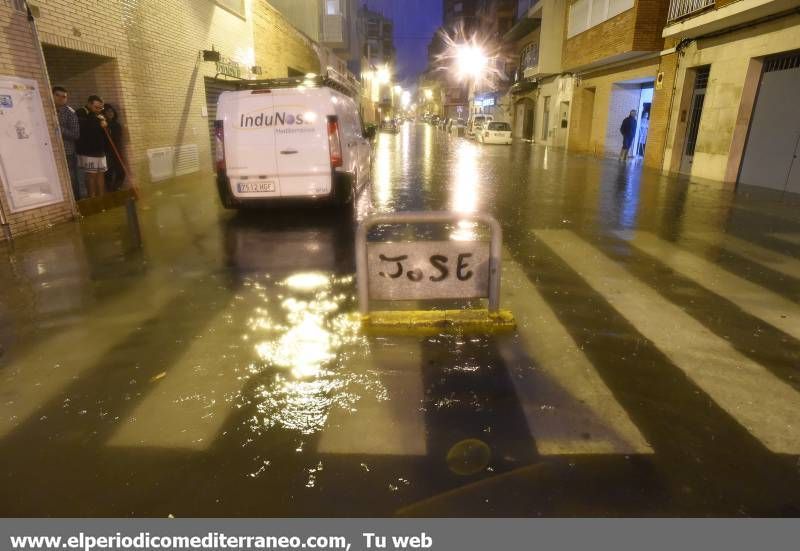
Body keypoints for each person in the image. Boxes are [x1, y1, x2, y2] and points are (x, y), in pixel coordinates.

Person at [52, 86, 82, 199]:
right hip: (51, 152)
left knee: (71, 178)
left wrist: (58, 127)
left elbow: (76, 134)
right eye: (57, 95)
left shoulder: (70, 112)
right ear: (52, 95)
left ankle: (76, 202)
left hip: (67, 152)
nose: (60, 98)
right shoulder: (45, 109)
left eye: (63, 97)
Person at [76, 95, 108, 198]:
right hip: (88, 151)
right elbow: (85, 129)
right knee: (91, 176)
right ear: (89, 104)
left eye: (101, 108)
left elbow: (102, 132)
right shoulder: (81, 112)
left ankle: (102, 197)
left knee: (101, 174)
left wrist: (104, 124)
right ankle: (92, 199)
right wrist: (98, 121)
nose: (99, 110)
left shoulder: (98, 116)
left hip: (99, 149)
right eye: (96, 107)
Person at [102, 104, 125, 192]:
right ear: (104, 113)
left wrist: (110, 130)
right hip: (107, 151)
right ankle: (110, 190)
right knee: (109, 172)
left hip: (116, 150)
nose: (110, 113)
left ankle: (116, 188)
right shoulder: (102, 125)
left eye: (111, 111)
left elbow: (118, 137)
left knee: (121, 171)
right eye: (108, 112)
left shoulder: (116, 125)